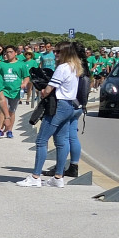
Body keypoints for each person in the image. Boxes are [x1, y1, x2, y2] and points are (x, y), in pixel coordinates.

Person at [27, 43, 85, 186]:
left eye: (58, 52)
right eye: (55, 51)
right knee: (61, 141)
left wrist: (43, 92)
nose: (55, 54)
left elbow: (49, 89)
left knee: (41, 140)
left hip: (58, 105)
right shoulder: (75, 67)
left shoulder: (62, 68)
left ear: (66, 53)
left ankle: (35, 177)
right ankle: (58, 177)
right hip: (69, 105)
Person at [0, 44, 27, 138]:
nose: (8, 54)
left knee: (12, 111)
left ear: (15, 53)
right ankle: (0, 129)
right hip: (3, 90)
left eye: (10, 52)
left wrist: (24, 83)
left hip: (15, 91)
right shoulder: (1, 64)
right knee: (1, 110)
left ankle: (9, 130)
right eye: (7, 52)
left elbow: (26, 76)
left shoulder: (21, 64)